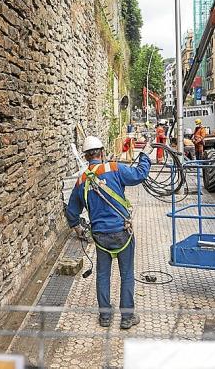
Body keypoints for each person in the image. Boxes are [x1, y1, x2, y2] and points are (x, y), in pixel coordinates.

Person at [66, 136, 151, 330]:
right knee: (127, 274)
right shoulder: (114, 168)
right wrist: (145, 154)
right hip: (122, 232)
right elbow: (139, 174)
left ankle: (105, 316)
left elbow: (72, 211)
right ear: (102, 152)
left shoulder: (82, 180)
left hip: (100, 236)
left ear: (86, 156)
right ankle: (127, 318)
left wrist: (77, 227)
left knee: (103, 274)